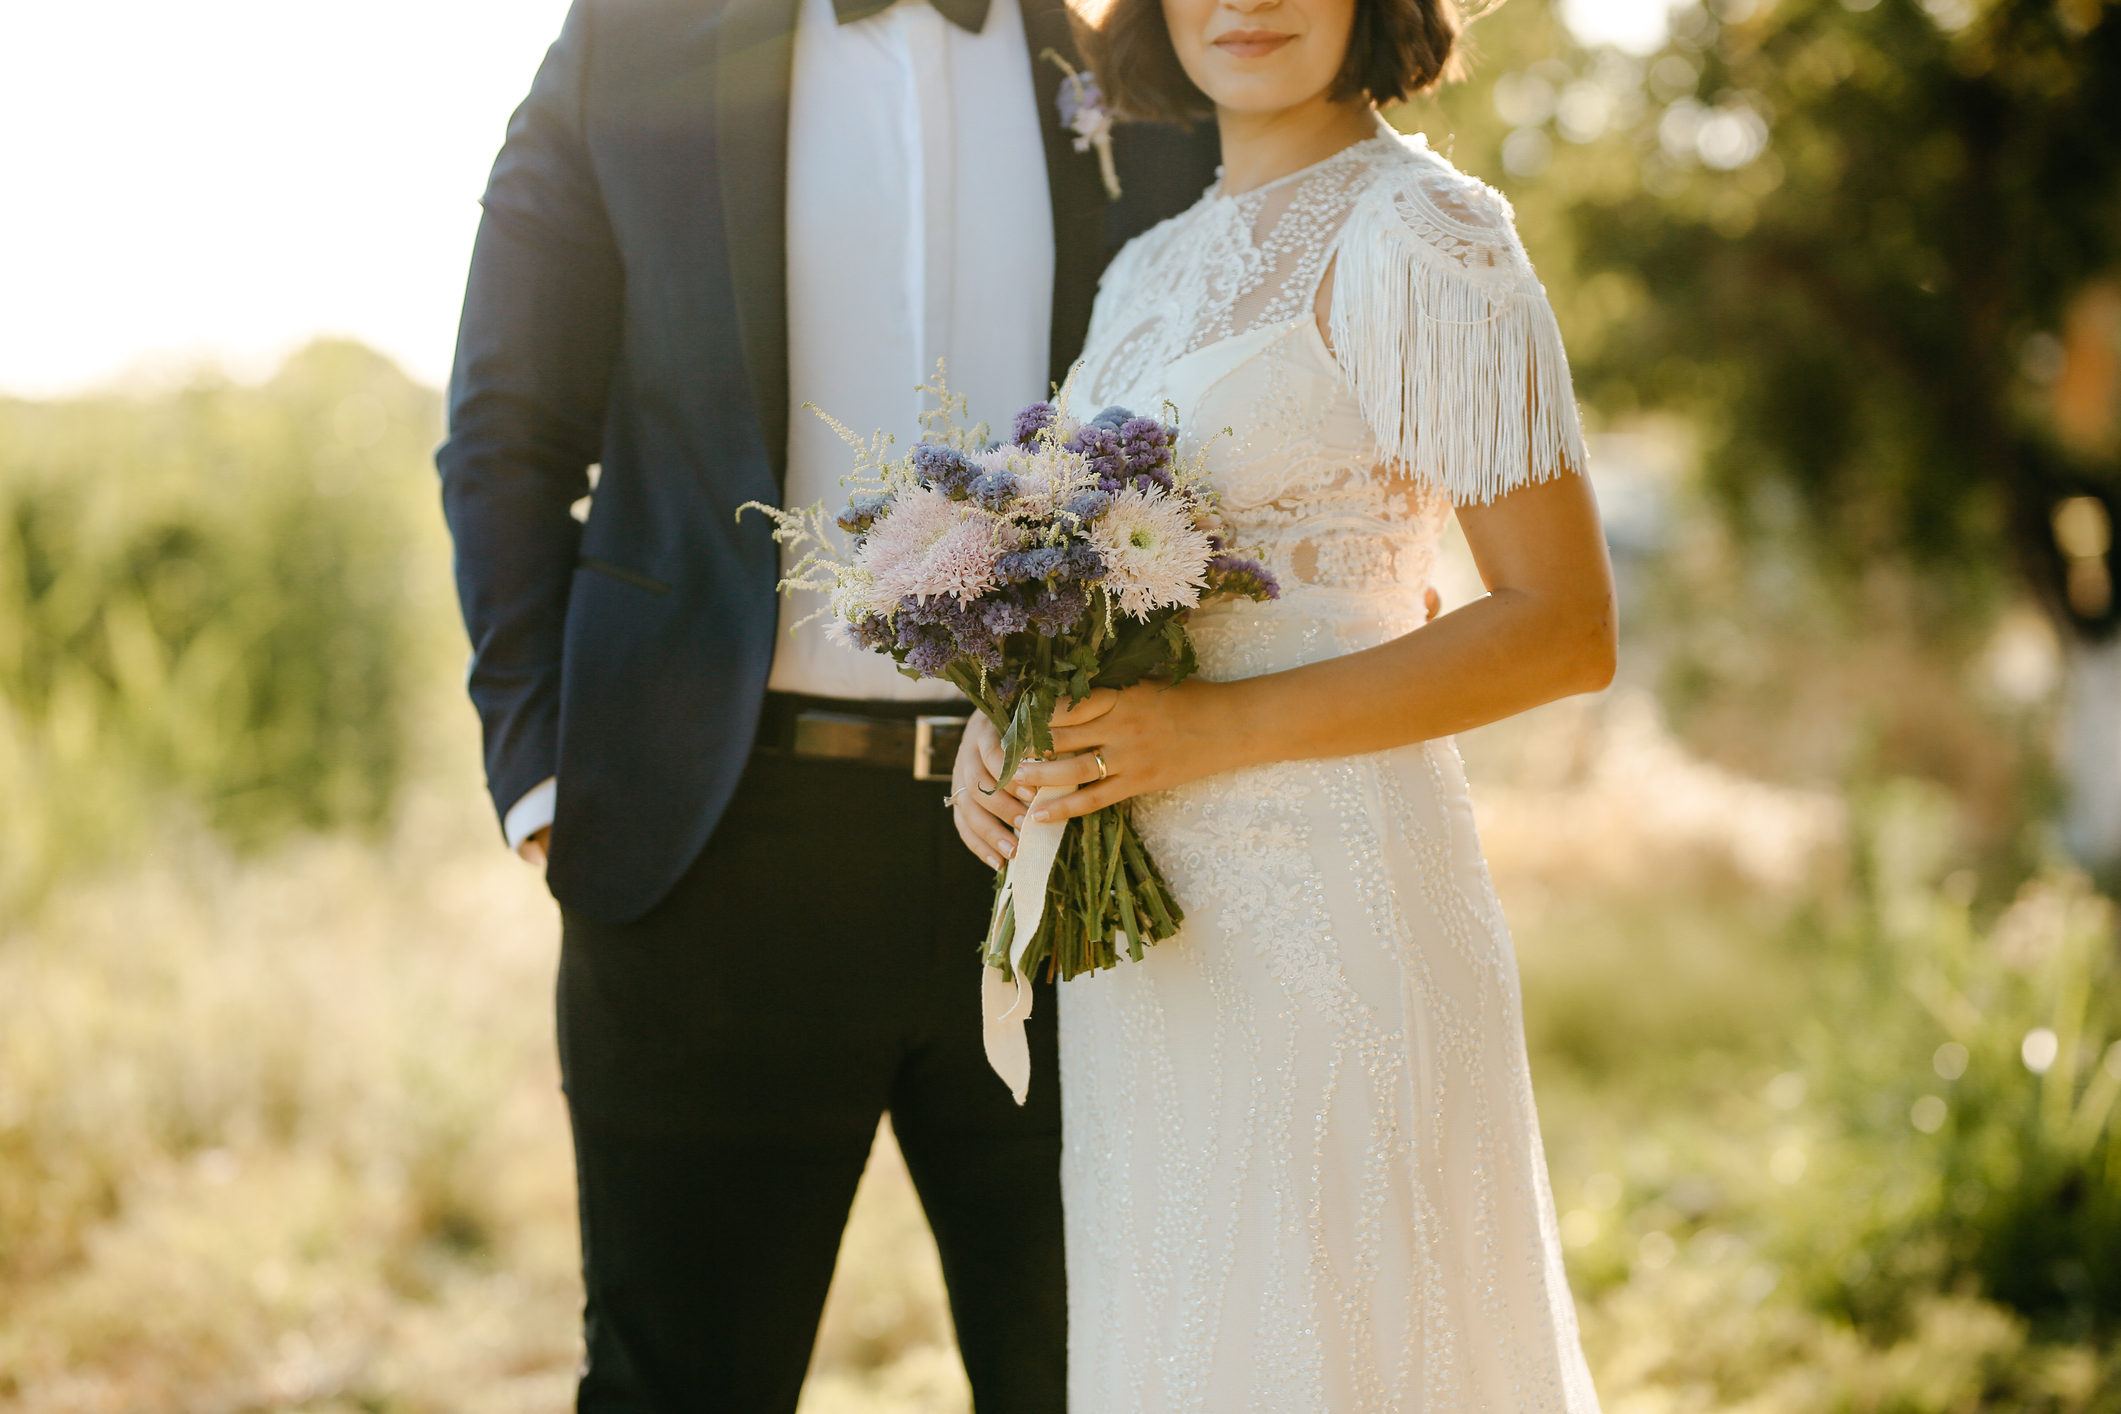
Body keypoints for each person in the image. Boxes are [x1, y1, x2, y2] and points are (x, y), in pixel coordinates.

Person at [436, 0, 1218, 1404]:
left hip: (1066, 849)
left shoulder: (1124, 68)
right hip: (711, 840)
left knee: (1098, 1377)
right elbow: (506, 423)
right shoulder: (634, 42)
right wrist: (546, 774)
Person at [948, 0, 1615, 1403]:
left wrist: (1213, 733)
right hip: (1148, 955)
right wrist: (1001, 729)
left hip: (1339, 919)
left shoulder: (1426, 231)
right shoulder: (1140, 266)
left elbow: (1560, 628)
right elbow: (1102, 588)